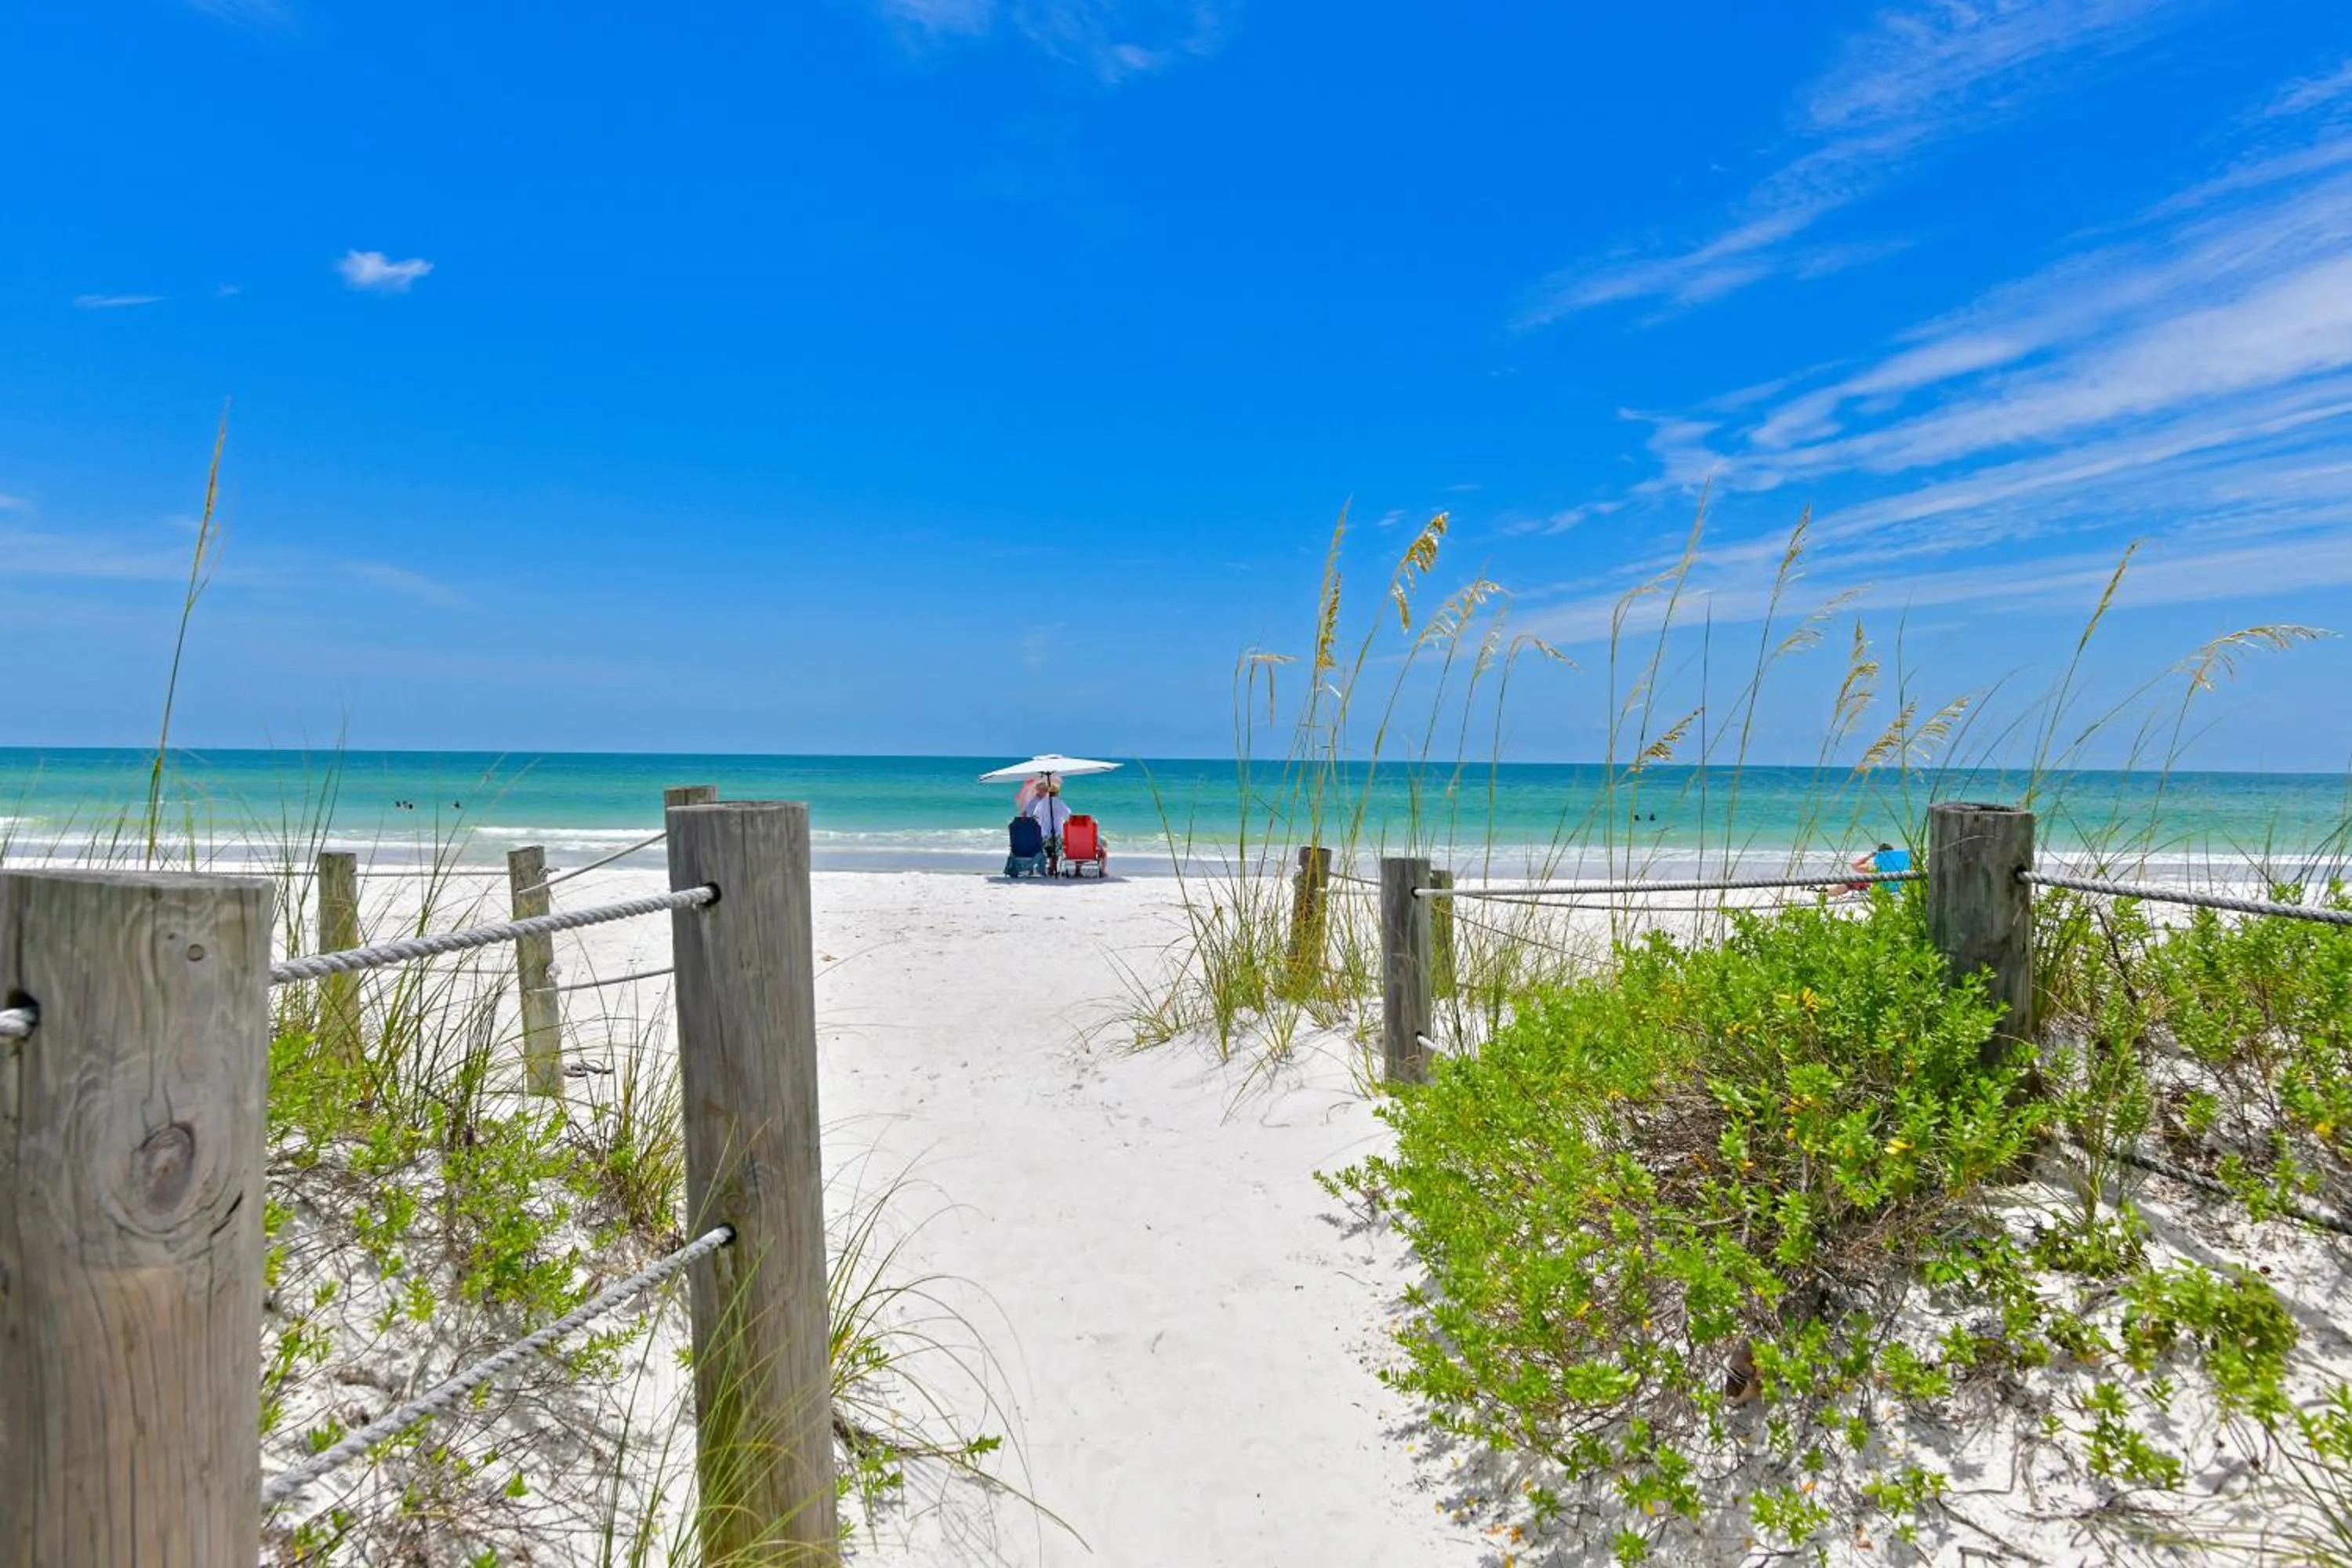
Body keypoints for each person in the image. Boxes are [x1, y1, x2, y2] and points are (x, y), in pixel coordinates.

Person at [1027, 777, 1074, 868]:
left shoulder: (1041, 803)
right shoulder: (1059, 802)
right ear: (1057, 793)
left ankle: (1050, 865)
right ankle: (1053, 866)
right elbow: (1068, 815)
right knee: (1057, 848)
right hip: (1057, 833)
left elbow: (1035, 815)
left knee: (1048, 848)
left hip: (1044, 834)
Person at [1836, 840, 1911, 896]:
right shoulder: (1905, 864)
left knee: (1852, 883)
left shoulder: (1877, 867)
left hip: (1882, 890)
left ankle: (1828, 894)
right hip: (1900, 889)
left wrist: (1870, 856)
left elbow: (1854, 866)